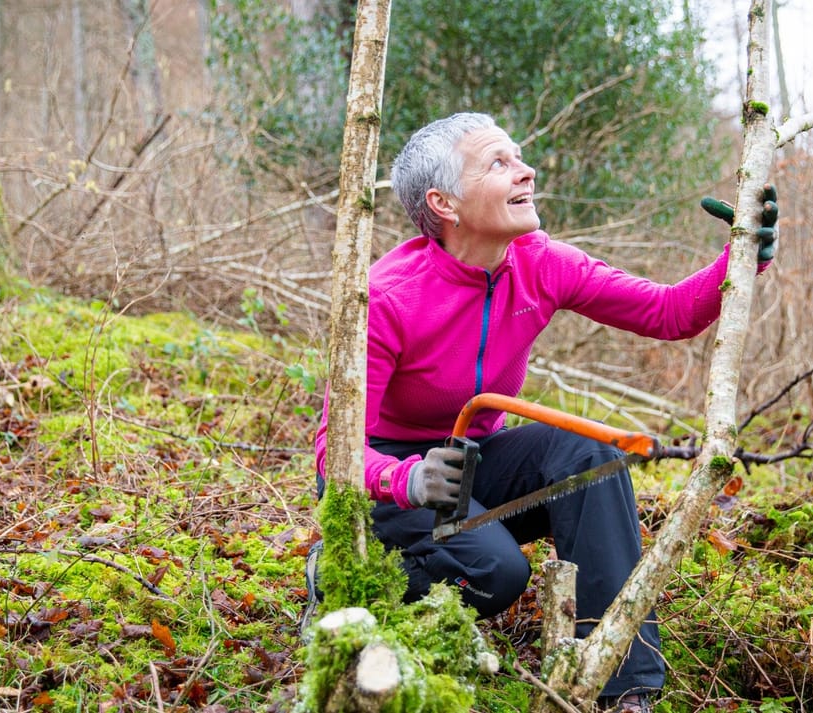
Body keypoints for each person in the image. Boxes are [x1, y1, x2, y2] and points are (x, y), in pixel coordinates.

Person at [311, 112, 779, 713]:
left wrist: (742, 258)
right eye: (497, 163)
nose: (525, 170)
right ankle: (344, 581)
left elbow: (668, 313)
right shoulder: (387, 297)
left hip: (474, 458)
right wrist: (407, 480)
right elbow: (333, 451)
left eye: (519, 156)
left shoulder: (541, 261)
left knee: (588, 455)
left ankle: (622, 683)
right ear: (443, 203)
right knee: (498, 574)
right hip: (388, 476)